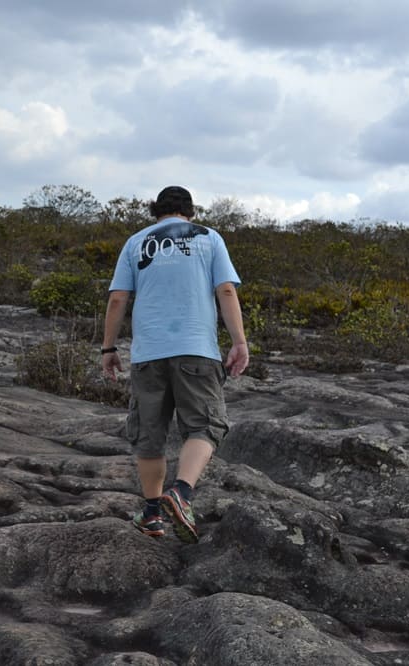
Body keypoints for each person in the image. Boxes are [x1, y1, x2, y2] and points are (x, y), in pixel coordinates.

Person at [101, 185, 249, 543]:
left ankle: (152, 514)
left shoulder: (136, 242)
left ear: (156, 211)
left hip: (148, 352)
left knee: (148, 435)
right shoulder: (210, 238)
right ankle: (181, 492)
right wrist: (239, 342)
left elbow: (119, 298)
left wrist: (108, 348)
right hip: (196, 349)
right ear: (190, 211)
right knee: (205, 425)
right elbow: (226, 291)